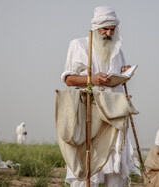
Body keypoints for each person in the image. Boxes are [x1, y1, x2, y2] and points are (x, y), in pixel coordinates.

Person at [61, 6, 139, 187]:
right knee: (88, 167)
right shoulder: (79, 45)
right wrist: (92, 79)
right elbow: (68, 79)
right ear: (96, 28)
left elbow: (115, 81)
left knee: (115, 169)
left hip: (114, 116)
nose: (109, 33)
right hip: (90, 115)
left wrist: (124, 76)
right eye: (105, 29)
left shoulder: (117, 50)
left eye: (112, 29)